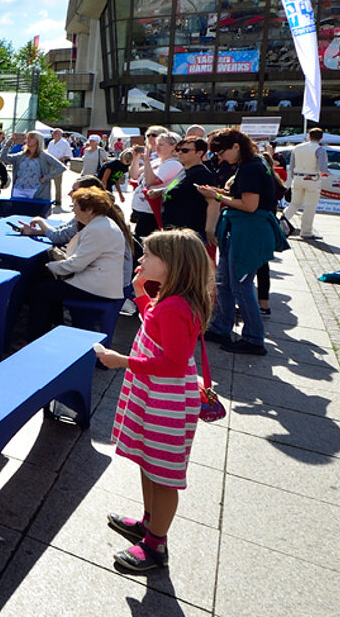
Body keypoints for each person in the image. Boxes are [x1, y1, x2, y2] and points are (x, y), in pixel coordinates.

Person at [95, 229, 213, 573]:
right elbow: (154, 326)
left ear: (172, 265)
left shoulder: (176, 305)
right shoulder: (170, 299)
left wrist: (122, 361)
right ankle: (150, 525)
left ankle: (156, 544)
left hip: (167, 401)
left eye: (148, 256)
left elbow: (174, 363)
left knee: (164, 475)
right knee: (151, 463)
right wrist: (141, 294)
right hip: (157, 396)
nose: (142, 260)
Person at [195, 128, 283, 356]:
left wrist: (216, 196)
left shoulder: (251, 167)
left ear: (236, 146)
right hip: (241, 229)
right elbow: (242, 198)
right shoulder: (249, 165)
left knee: (240, 286)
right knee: (224, 282)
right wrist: (217, 192)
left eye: (222, 152)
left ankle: (254, 339)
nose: (220, 158)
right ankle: (221, 328)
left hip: (249, 231)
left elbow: (249, 205)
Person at [34, 188, 131, 333]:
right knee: (50, 289)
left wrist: (50, 266)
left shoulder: (97, 229)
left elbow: (76, 264)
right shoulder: (103, 224)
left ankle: (36, 335)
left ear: (90, 210)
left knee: (41, 292)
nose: (73, 210)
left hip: (97, 287)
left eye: (76, 206)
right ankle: (53, 329)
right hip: (100, 282)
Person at [162, 136, 215, 246]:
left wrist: (209, 230)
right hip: (173, 229)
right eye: (178, 150)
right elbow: (174, 189)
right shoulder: (184, 170)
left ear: (199, 153)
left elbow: (213, 201)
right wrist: (158, 192)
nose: (180, 153)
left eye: (185, 150)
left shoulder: (202, 174)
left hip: (190, 233)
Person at [129, 131, 182, 240]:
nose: (157, 147)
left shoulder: (173, 164)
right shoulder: (157, 161)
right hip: (141, 208)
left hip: (152, 210)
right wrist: (136, 157)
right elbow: (134, 175)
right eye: (156, 144)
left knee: (145, 240)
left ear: (173, 146)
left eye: (161, 145)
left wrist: (147, 161)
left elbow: (151, 182)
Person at [283, 128, 329, 240]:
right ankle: (306, 232)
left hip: (298, 178)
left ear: (309, 136)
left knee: (294, 204)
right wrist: (327, 173)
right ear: (321, 137)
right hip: (312, 179)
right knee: (310, 206)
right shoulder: (320, 150)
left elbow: (292, 165)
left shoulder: (297, 148)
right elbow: (323, 167)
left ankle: (281, 222)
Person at [9, 132, 66, 202]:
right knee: (17, 211)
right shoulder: (21, 155)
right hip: (19, 189)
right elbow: (3, 158)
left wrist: (46, 178)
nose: (28, 140)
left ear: (38, 140)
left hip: (35, 190)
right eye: (27, 138)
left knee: (33, 211)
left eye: (31, 138)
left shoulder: (44, 155)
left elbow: (61, 167)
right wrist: (10, 142)